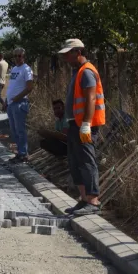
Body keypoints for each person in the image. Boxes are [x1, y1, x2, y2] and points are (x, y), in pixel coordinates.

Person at [58, 39, 106, 216]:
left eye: (67, 54)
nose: (65, 58)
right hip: (74, 124)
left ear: (77, 52)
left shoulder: (86, 72)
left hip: (85, 126)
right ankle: (84, 198)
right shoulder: (77, 72)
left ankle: (93, 201)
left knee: (87, 161)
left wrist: (86, 124)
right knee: (75, 161)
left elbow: (91, 99)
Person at [5, 47, 34, 163]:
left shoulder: (26, 69)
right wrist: (6, 100)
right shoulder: (14, 69)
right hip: (11, 103)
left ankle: (23, 154)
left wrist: (17, 98)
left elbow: (29, 87)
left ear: (23, 56)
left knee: (20, 130)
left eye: (20, 56)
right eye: (15, 56)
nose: (17, 58)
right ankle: (19, 152)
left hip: (19, 103)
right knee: (14, 130)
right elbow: (12, 86)